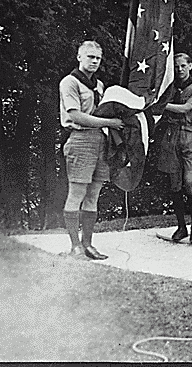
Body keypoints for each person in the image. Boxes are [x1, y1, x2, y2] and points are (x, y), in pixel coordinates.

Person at [60, 41, 125, 259]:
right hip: (80, 139)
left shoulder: (99, 85)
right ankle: (75, 246)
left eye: (97, 58)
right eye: (90, 57)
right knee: (77, 192)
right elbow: (75, 115)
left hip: (101, 141)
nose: (94, 61)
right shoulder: (69, 82)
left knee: (93, 194)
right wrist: (108, 123)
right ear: (79, 57)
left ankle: (88, 244)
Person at [157, 53, 192, 245]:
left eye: (183, 66)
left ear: (190, 66)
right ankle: (181, 227)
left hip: (190, 137)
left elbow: (186, 108)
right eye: (176, 67)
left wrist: (160, 104)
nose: (180, 70)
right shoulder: (170, 88)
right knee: (175, 183)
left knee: (189, 180)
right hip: (172, 136)